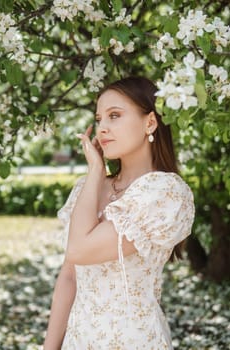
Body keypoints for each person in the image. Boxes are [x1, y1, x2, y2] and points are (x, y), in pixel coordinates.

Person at [43, 76, 195, 350]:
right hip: (77, 340)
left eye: (115, 116)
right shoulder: (88, 188)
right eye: (99, 119)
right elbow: (69, 274)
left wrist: (95, 170)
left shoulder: (165, 193)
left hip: (133, 340)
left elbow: (79, 249)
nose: (103, 128)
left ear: (150, 122)